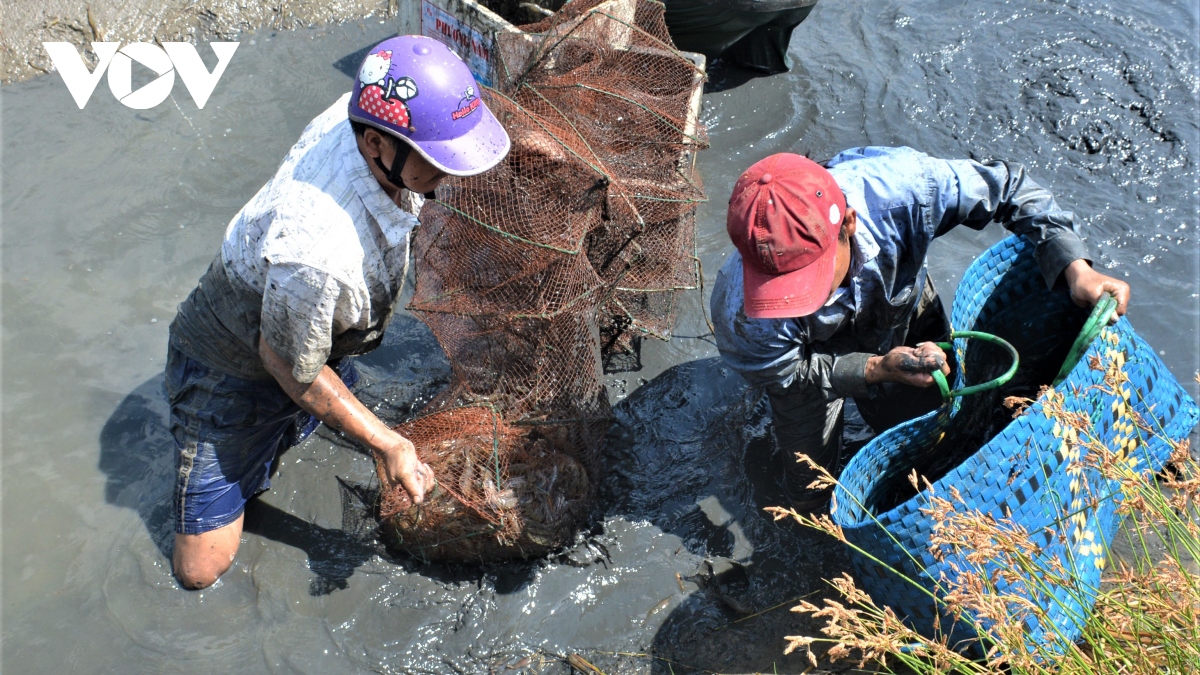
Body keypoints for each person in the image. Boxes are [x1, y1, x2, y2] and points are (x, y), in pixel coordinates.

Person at [165, 35, 510, 589]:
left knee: (313, 405)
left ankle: (298, 421)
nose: (453, 174)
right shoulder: (319, 251)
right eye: (438, 161)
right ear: (376, 144)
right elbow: (284, 363)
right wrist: (388, 442)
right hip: (233, 362)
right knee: (201, 571)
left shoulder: (367, 114)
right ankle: (207, 437)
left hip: (308, 321)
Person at [710, 147, 1131, 509]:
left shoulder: (909, 190)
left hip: (897, 304)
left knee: (934, 427)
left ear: (850, 224)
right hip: (807, 357)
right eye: (784, 288)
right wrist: (875, 369)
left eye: (812, 278)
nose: (807, 298)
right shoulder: (743, 314)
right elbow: (789, 375)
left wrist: (1075, 267)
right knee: (808, 486)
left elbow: (1010, 188)